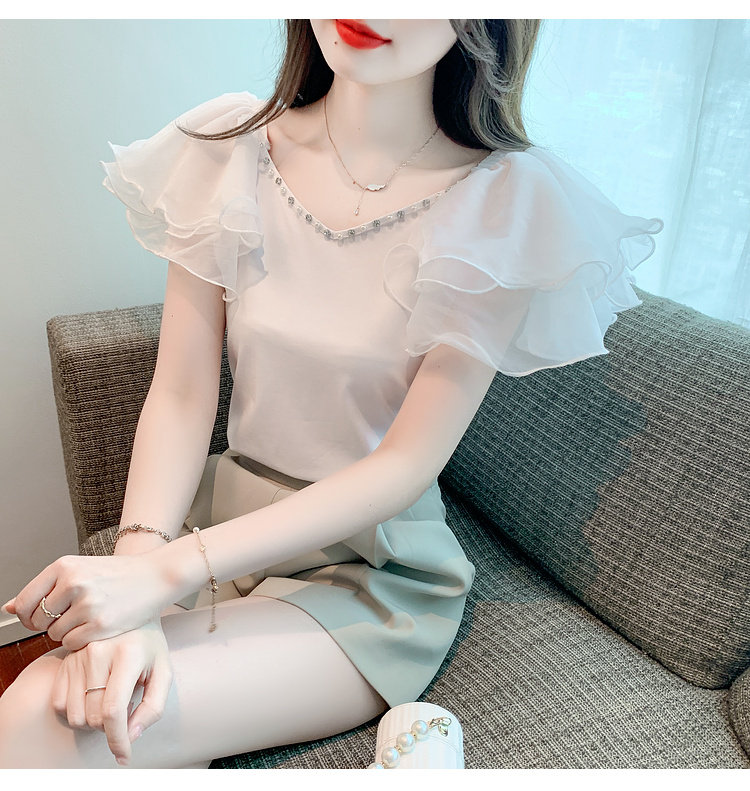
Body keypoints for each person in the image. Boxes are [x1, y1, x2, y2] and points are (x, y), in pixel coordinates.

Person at [0, 19, 663, 769]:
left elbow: (403, 466)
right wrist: (138, 566)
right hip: (216, 523)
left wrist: (164, 577)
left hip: (366, 571)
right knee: (61, 709)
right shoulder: (228, 149)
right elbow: (182, 391)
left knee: (45, 718)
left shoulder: (505, 204)